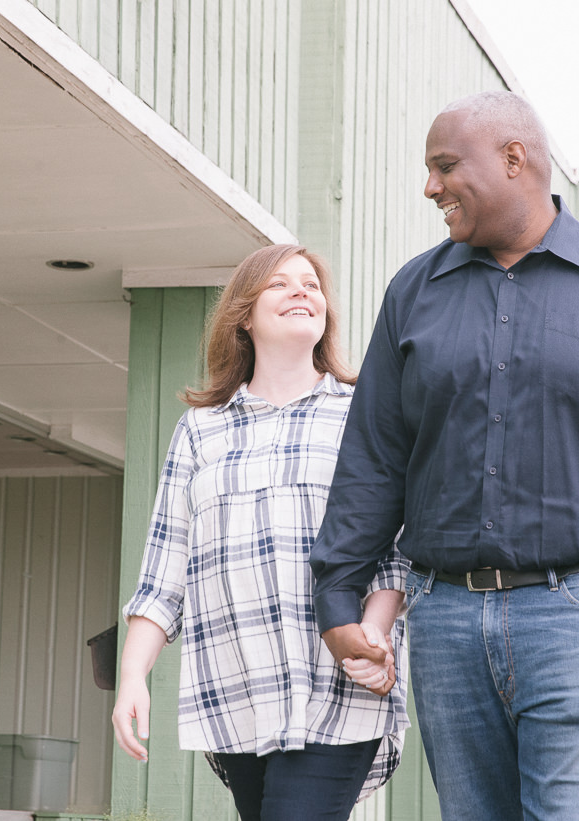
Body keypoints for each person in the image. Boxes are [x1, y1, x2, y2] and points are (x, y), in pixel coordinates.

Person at [311, 91, 579, 819]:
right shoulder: (413, 292)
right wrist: (337, 595)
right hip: (443, 617)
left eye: (444, 166)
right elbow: (375, 457)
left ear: (514, 158)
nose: (430, 187)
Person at [114, 244, 409, 821]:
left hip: (337, 684)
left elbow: (395, 549)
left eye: (312, 285)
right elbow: (164, 572)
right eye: (280, 284)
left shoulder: (361, 414)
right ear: (244, 316)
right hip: (235, 691)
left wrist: (372, 640)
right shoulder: (200, 430)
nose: (302, 291)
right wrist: (132, 678)